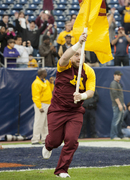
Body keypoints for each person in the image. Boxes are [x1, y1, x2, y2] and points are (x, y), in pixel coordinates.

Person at [42, 33, 96, 178]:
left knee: (71, 141)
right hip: (57, 109)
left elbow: (91, 91)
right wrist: (78, 43)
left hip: (75, 111)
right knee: (55, 140)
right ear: (72, 55)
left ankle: (61, 170)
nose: (79, 57)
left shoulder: (89, 71)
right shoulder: (64, 66)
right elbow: (64, 57)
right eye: (76, 54)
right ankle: (48, 144)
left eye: (81, 54)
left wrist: (82, 96)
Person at [31, 69, 55, 145]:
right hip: (41, 104)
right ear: (41, 73)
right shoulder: (36, 83)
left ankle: (45, 138)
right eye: (45, 72)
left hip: (48, 103)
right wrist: (39, 106)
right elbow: (35, 96)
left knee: (46, 123)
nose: (46, 73)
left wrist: (51, 83)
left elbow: (51, 90)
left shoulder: (45, 81)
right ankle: (35, 139)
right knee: (39, 122)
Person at [110, 70, 127, 140]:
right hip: (117, 105)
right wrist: (119, 104)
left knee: (120, 121)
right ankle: (113, 135)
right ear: (114, 75)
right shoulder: (113, 83)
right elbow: (115, 95)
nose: (119, 76)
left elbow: (120, 96)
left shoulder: (118, 84)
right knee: (116, 121)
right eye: (118, 75)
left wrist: (123, 104)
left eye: (120, 75)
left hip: (120, 104)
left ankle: (120, 135)